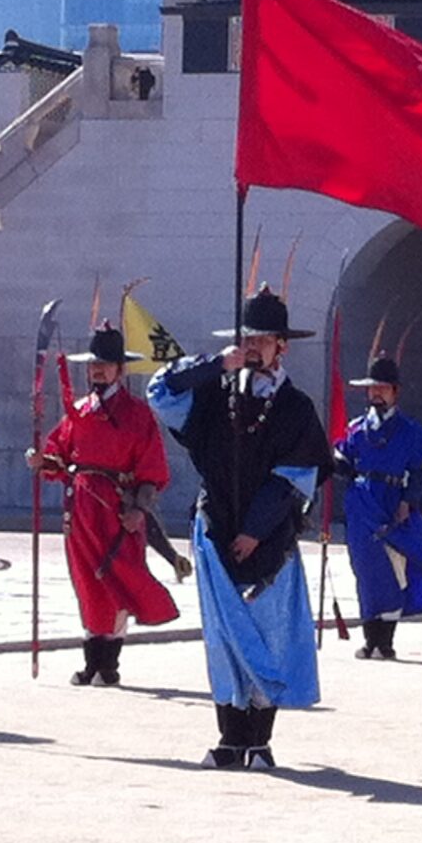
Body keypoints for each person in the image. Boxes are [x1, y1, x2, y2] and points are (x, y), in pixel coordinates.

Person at [147, 287, 329, 770]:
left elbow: (293, 479)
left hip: (269, 534)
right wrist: (213, 366)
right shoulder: (215, 393)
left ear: (281, 346)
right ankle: (229, 738)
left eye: (263, 339)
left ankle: (259, 741)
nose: (253, 347)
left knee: (266, 633)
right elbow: (159, 393)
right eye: (246, 338)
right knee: (223, 635)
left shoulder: (296, 408)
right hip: (214, 525)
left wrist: (254, 530)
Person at [36, 322, 180, 687]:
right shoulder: (78, 411)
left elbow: (152, 469)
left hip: (118, 510)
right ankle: (91, 663)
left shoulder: (138, 414)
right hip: (80, 510)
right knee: (86, 581)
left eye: (106, 363)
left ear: (120, 368)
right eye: (93, 364)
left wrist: (139, 509)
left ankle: (109, 664)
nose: (98, 370)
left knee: (117, 576)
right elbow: (60, 456)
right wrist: (42, 460)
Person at [332, 353, 422, 660]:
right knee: (365, 567)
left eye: (383, 388)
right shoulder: (356, 429)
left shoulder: (411, 431)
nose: (376, 394)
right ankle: (369, 639)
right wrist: (334, 464)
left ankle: (385, 641)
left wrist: (408, 501)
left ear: (395, 391)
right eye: (372, 388)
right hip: (362, 503)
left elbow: (420, 470)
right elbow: (342, 460)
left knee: (391, 569)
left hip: (393, 502)